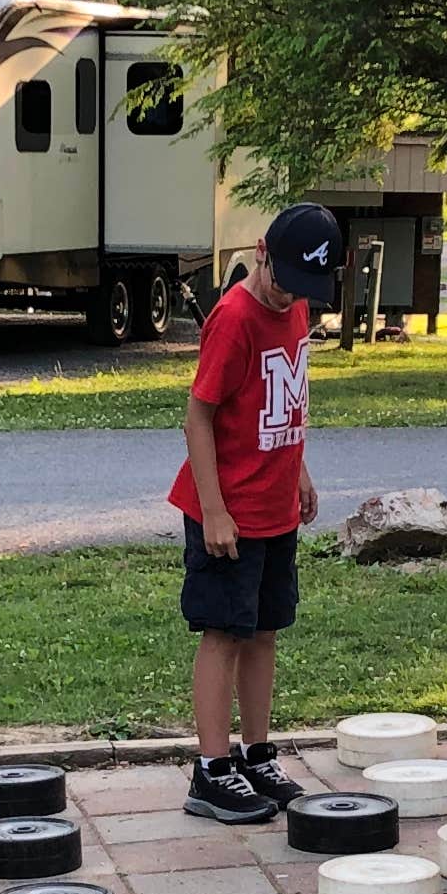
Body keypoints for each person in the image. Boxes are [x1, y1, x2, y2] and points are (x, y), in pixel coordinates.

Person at [173, 203, 341, 823]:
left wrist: (298, 470)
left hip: (274, 505)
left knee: (266, 629)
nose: (292, 298)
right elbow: (199, 418)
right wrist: (214, 512)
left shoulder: (294, 304)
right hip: (228, 510)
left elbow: (282, 398)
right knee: (223, 633)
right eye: (285, 280)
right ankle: (211, 770)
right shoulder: (235, 318)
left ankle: (256, 754)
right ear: (262, 253)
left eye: (307, 289)